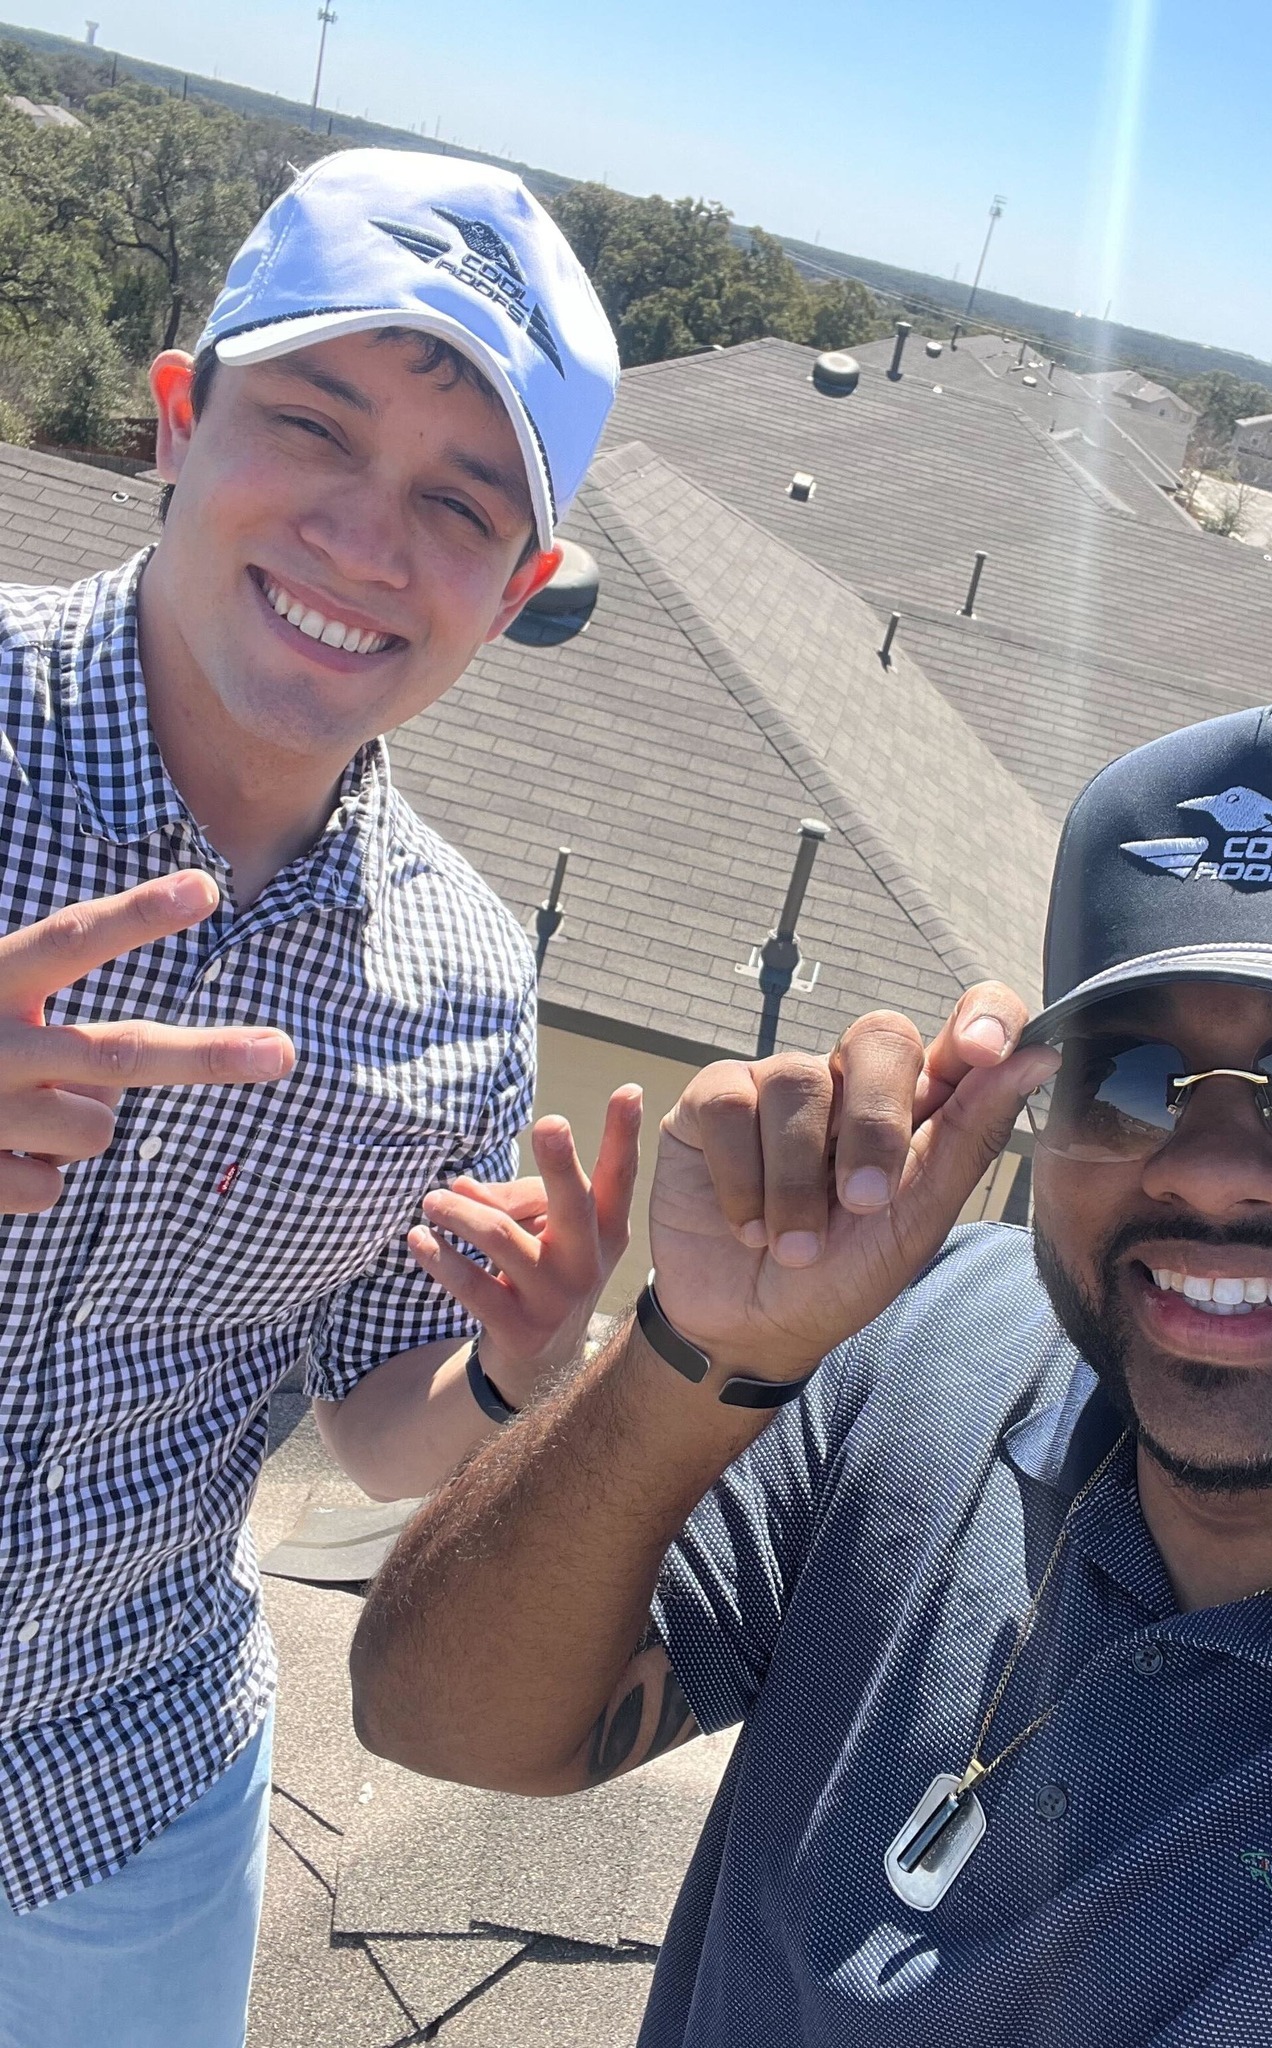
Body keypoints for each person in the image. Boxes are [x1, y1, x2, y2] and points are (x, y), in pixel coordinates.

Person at [354, 704, 1272, 2047]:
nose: (1209, 1166)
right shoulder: (925, 1344)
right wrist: (704, 1354)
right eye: (1130, 1079)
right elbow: (433, 1713)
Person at [0, 149, 637, 2048]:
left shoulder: (458, 991)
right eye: (313, 426)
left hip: (111, 1813)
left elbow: (378, 1428)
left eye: (459, 503)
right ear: (181, 414)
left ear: (517, 589)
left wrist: (521, 1376)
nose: (371, 541)